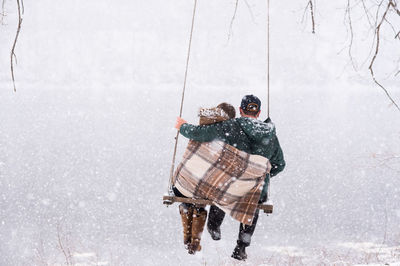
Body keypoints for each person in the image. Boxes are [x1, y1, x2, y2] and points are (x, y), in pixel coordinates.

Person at [175, 95, 285, 260]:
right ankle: (241, 245)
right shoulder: (270, 135)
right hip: (256, 192)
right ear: (259, 112)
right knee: (253, 197)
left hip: (229, 187)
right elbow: (279, 164)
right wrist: (259, 175)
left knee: (226, 186)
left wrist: (182, 126)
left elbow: (201, 134)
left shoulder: (232, 125)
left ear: (241, 110)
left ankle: (214, 226)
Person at [173, 102, 236, 255]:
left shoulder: (198, 129)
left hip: (181, 186)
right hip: (205, 190)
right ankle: (195, 241)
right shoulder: (230, 135)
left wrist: (182, 126)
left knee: (187, 198)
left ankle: (187, 235)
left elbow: (188, 130)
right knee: (203, 195)